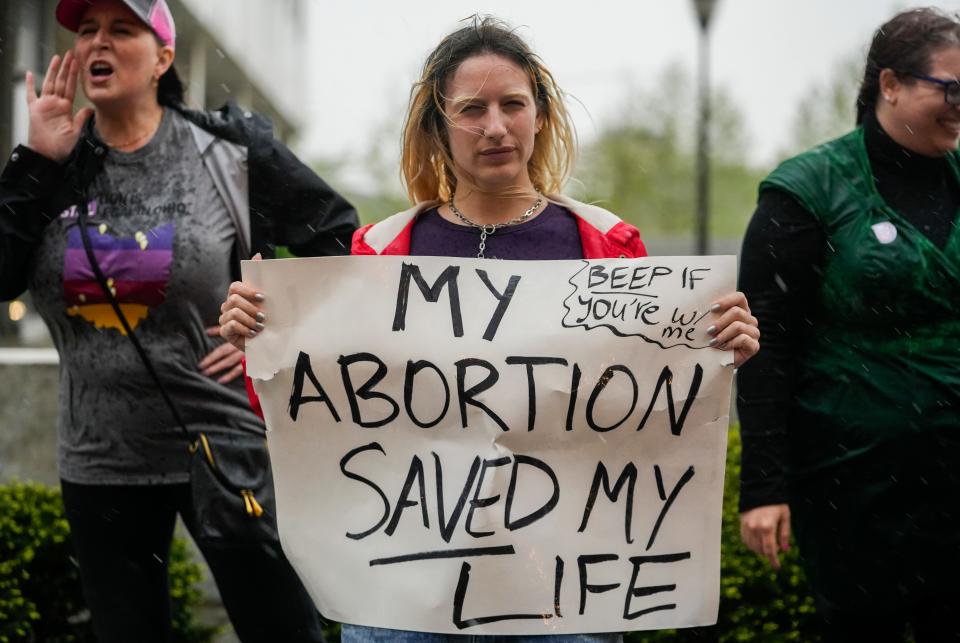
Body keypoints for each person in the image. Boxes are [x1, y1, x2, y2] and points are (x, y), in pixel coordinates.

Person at [220, 16, 759, 643]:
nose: (496, 127)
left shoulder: (607, 248)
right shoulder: (380, 252)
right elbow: (314, 418)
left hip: (561, 601)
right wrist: (259, 341)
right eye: (472, 109)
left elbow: (650, 414)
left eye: (513, 104)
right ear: (438, 128)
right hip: (405, 596)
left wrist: (719, 349)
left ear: (541, 114)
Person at [0, 0, 358, 641]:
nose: (95, 43)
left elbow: (339, 244)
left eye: (120, 29)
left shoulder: (229, 152)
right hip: (99, 458)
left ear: (164, 55)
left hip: (223, 445)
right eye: (85, 31)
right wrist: (34, 163)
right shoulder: (53, 167)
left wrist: (277, 332)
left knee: (282, 631)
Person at [737, 7, 960, 642]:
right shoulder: (807, 191)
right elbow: (765, 345)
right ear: (889, 84)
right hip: (854, 486)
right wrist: (763, 487)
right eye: (950, 87)